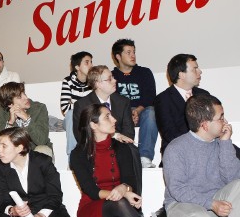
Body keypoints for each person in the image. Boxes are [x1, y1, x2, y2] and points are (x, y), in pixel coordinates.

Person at [111, 39, 158, 168]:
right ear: (118, 56)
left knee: (151, 112)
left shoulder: (144, 72)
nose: (133, 55)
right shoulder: (112, 76)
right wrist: (127, 114)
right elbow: (112, 100)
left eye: (134, 52)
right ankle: (117, 158)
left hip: (141, 111)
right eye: (128, 52)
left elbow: (150, 97)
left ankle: (144, 157)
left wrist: (137, 111)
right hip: (121, 114)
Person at [154, 54, 209, 160]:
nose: (200, 71)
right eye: (195, 69)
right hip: (178, 153)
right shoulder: (163, 99)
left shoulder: (204, 95)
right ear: (181, 75)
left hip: (206, 150)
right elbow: (169, 133)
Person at [73, 65, 134, 144]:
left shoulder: (123, 102)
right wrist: (115, 135)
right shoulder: (82, 105)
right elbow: (82, 136)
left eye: (113, 77)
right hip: (95, 147)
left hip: (120, 146)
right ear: (98, 84)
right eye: (109, 79)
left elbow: (129, 132)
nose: (114, 80)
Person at [0, 82, 53, 158]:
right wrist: (10, 123)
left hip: (35, 150)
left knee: (43, 149)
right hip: (14, 152)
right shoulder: (2, 112)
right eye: (19, 97)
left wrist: (27, 119)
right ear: (10, 104)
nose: (26, 97)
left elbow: (42, 140)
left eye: (24, 93)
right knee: (0, 152)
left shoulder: (39, 108)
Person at [60, 51, 93, 157]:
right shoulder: (68, 81)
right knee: (70, 114)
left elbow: (96, 106)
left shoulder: (94, 82)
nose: (91, 65)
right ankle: (72, 156)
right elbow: (65, 108)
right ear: (77, 67)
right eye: (87, 62)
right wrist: (85, 106)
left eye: (91, 62)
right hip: (73, 119)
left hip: (90, 119)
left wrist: (76, 104)